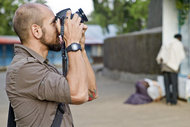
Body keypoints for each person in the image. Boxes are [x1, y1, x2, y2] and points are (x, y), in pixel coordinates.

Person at [6, 3, 97, 127]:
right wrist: (72, 42)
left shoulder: (43, 67)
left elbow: (90, 93)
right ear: (36, 31)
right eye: (53, 22)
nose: (59, 27)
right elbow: (78, 95)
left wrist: (80, 47)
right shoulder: (24, 69)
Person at [156, 34, 185, 105]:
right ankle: (174, 101)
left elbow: (160, 55)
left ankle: (168, 100)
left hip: (165, 67)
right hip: (173, 68)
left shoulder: (167, 42)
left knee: (167, 85)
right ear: (179, 38)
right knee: (174, 84)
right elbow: (182, 56)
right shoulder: (179, 44)